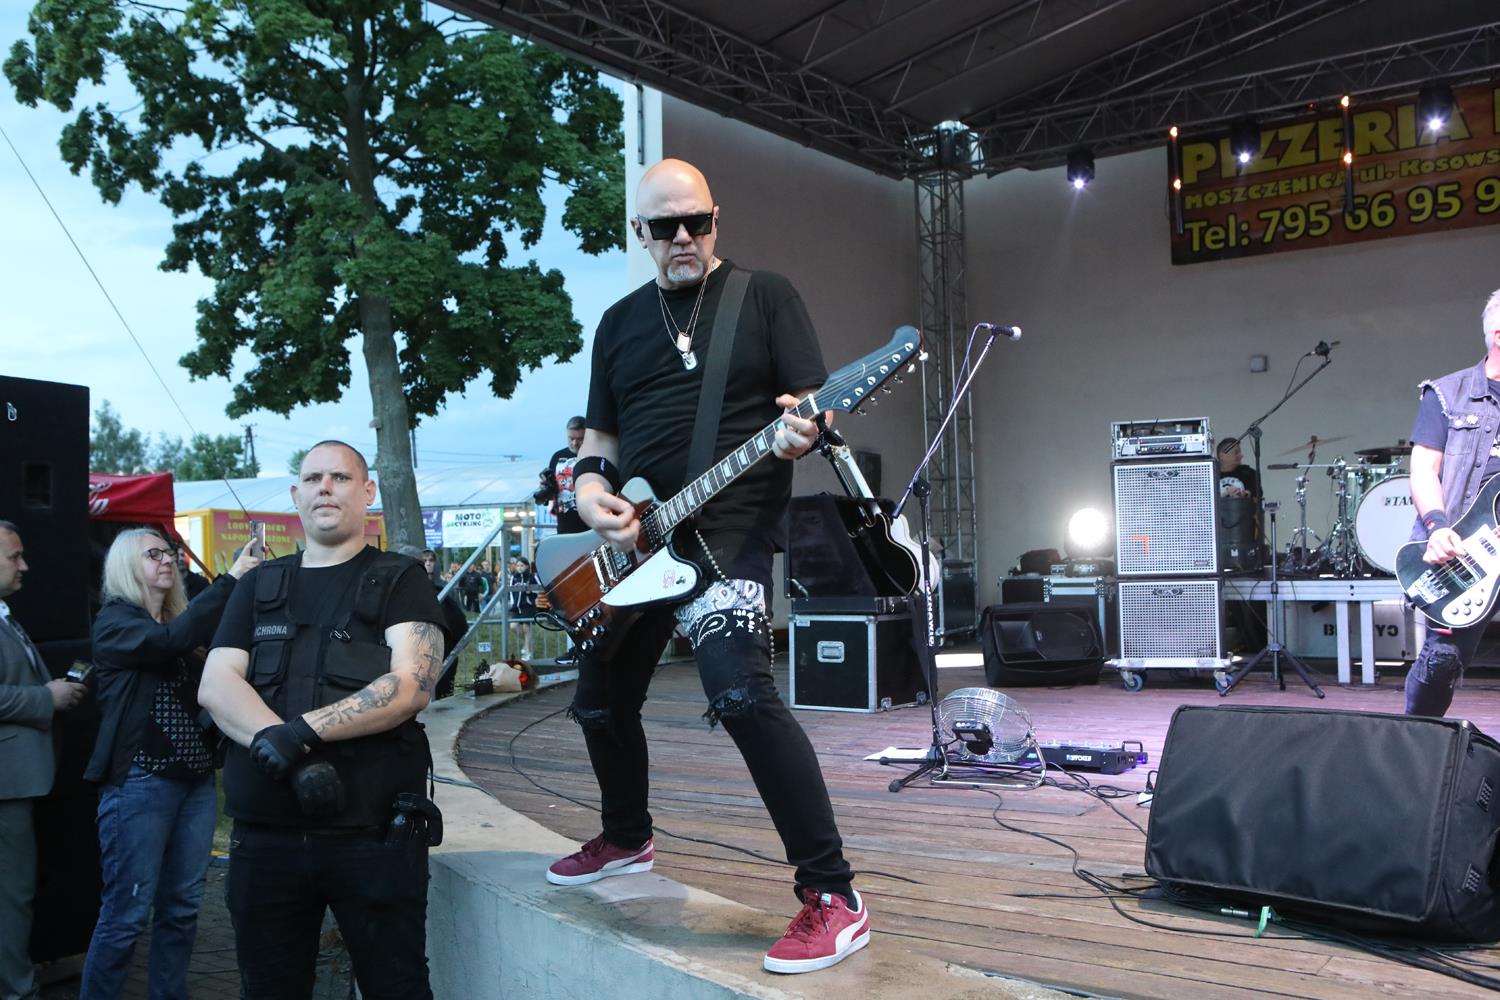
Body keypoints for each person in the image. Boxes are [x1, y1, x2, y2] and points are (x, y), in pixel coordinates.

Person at [549, 158, 869, 974]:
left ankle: (834, 895)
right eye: (666, 227)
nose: (685, 237)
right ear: (641, 233)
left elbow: (812, 404)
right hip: (641, 536)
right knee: (598, 697)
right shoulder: (618, 323)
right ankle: (626, 837)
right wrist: (590, 493)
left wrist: (807, 427)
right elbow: (601, 440)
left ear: (716, 219)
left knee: (739, 691)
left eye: (698, 221)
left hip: (730, 527)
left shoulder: (765, 297)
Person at [198, 441, 445, 999]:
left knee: (397, 988)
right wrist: (287, 755)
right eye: (312, 479)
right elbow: (216, 684)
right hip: (266, 841)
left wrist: (299, 735)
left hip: (372, 839)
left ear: (367, 491)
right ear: (295, 495)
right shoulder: (259, 584)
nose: (325, 488)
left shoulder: (400, 579)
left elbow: (412, 684)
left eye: (340, 477)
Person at [80, 529, 260, 998]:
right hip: (140, 783)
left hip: (194, 782)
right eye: (153, 554)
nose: (166, 560)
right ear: (125, 566)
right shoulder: (115, 622)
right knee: (126, 916)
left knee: (181, 909)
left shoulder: (180, 620)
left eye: (169, 553)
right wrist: (231, 578)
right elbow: (167, 641)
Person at [0, 520, 87, 1000]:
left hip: (19, 781)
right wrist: (45, 698)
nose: (25, 565)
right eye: (14, 556)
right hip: (6, 785)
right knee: (11, 898)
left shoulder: (6, 616)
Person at [1404, 288, 1500, 717]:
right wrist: (1437, 526)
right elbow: (1424, 469)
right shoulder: (1448, 394)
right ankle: (1415, 740)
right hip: (1467, 548)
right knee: (1442, 661)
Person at [396, 545, 468, 699]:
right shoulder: (399, 589)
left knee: (441, 695)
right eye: (425, 560)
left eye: (431, 560)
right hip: (412, 656)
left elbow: (458, 623)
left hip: (440, 652)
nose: (428, 563)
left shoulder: (444, 591)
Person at [536, 416, 588, 535]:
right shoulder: (557, 457)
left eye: (580, 439)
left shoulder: (594, 454)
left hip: (590, 526)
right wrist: (545, 488)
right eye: (571, 438)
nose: (575, 443)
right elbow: (552, 489)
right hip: (564, 525)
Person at [507, 556, 539, 659]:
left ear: (527, 566)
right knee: (513, 626)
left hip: (527, 606)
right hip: (516, 607)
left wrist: (531, 592)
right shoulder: (514, 577)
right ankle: (528, 642)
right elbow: (510, 591)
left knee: (526, 628)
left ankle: (527, 651)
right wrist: (512, 603)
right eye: (518, 565)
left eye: (522, 565)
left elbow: (538, 589)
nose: (519, 567)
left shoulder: (531, 577)